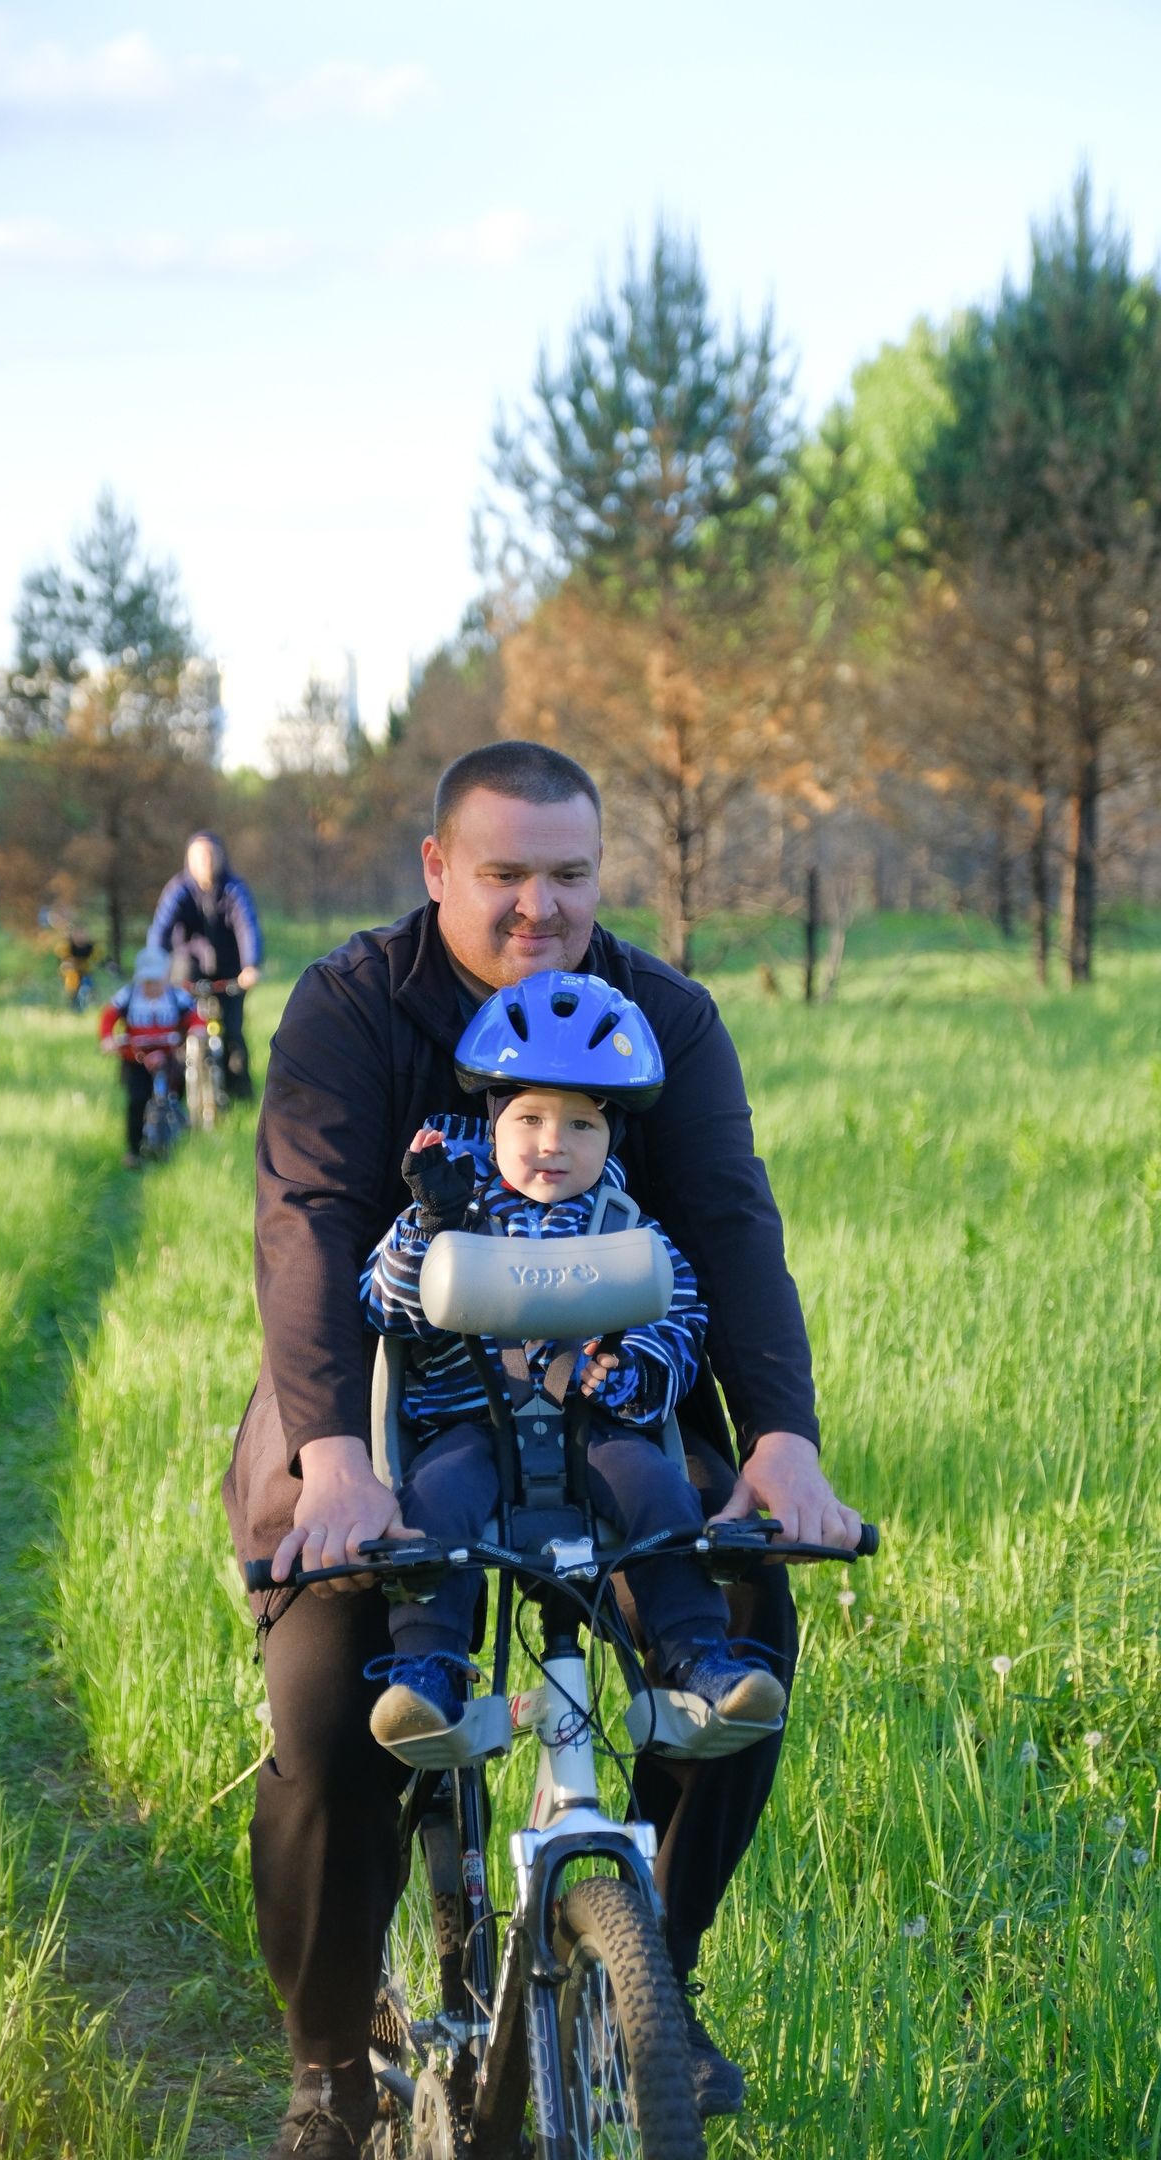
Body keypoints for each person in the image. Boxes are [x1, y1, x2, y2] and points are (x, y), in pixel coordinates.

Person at [225, 740, 862, 2156]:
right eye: (504, 874)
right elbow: (307, 1229)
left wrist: (783, 1443)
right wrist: (330, 1456)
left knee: (747, 1614)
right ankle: (330, 2062)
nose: (540, 908)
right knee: (333, 1702)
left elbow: (730, 1229)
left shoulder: (666, 1014)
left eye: (569, 875)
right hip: (386, 1396)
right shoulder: (352, 1004)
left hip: (607, 1393)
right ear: (439, 867)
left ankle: (656, 1978)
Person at [360, 970, 788, 1751]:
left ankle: (700, 1660)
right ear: (491, 1122)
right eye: (528, 1119)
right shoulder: (455, 1211)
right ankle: (427, 1672)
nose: (553, 1143)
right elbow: (382, 1305)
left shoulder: (625, 1226)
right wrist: (428, 1224)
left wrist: (628, 1377)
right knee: (435, 1503)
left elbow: (681, 1321)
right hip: (470, 1423)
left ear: (614, 1136)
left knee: (663, 1497)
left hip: (595, 1426)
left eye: (583, 1126)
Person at [148, 830, 262, 1101]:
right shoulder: (178, 890)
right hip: (190, 969)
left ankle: (240, 1097)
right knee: (180, 1032)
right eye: (199, 857)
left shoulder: (234, 889)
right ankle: (176, 1096)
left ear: (222, 858)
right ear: (189, 860)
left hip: (230, 972)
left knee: (232, 1031)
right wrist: (154, 967)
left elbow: (248, 926)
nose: (205, 862)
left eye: (211, 855)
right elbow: (161, 930)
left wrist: (251, 965)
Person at [98, 944, 200, 1168]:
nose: (151, 986)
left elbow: (195, 1016)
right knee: (136, 1100)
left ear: (165, 977)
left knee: (179, 1081)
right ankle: (133, 1150)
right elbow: (108, 1017)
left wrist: (196, 1029)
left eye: (156, 980)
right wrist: (107, 1039)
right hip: (136, 1057)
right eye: (147, 981)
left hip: (168, 1054)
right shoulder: (128, 995)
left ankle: (177, 1119)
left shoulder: (176, 996)